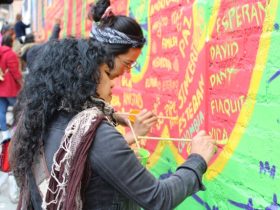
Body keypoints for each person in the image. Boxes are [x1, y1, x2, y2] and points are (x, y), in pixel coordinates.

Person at [10, 2, 216, 210]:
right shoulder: (94, 133)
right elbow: (158, 198)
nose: (114, 82)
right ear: (82, 77)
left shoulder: (45, 117)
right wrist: (197, 160)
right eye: (107, 74)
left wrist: (118, 149)